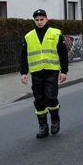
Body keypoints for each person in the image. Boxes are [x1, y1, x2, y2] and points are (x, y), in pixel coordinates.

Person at [19, 9, 68, 138]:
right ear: (34, 21)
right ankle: (43, 126)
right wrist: (23, 73)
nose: (39, 22)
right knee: (39, 100)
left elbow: (63, 53)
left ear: (46, 19)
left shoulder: (56, 33)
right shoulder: (29, 36)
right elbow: (23, 56)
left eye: (42, 19)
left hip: (51, 70)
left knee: (51, 97)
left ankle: (55, 119)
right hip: (36, 72)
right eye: (37, 20)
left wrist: (64, 71)